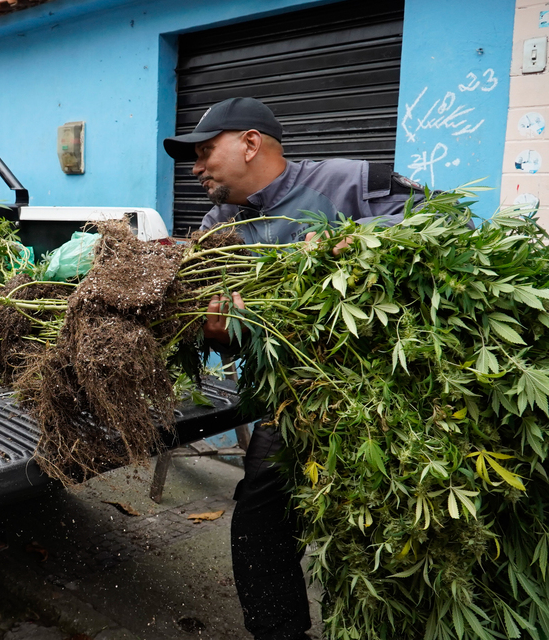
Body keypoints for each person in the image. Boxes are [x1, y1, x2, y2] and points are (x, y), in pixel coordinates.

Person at [163, 97, 424, 640]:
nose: (195, 168)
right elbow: (238, 343)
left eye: (206, 151)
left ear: (251, 143)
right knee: (259, 527)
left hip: (385, 395)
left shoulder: (350, 181)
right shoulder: (217, 229)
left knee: (390, 535)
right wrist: (219, 331)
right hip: (292, 402)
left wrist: (365, 248)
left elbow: (444, 228)